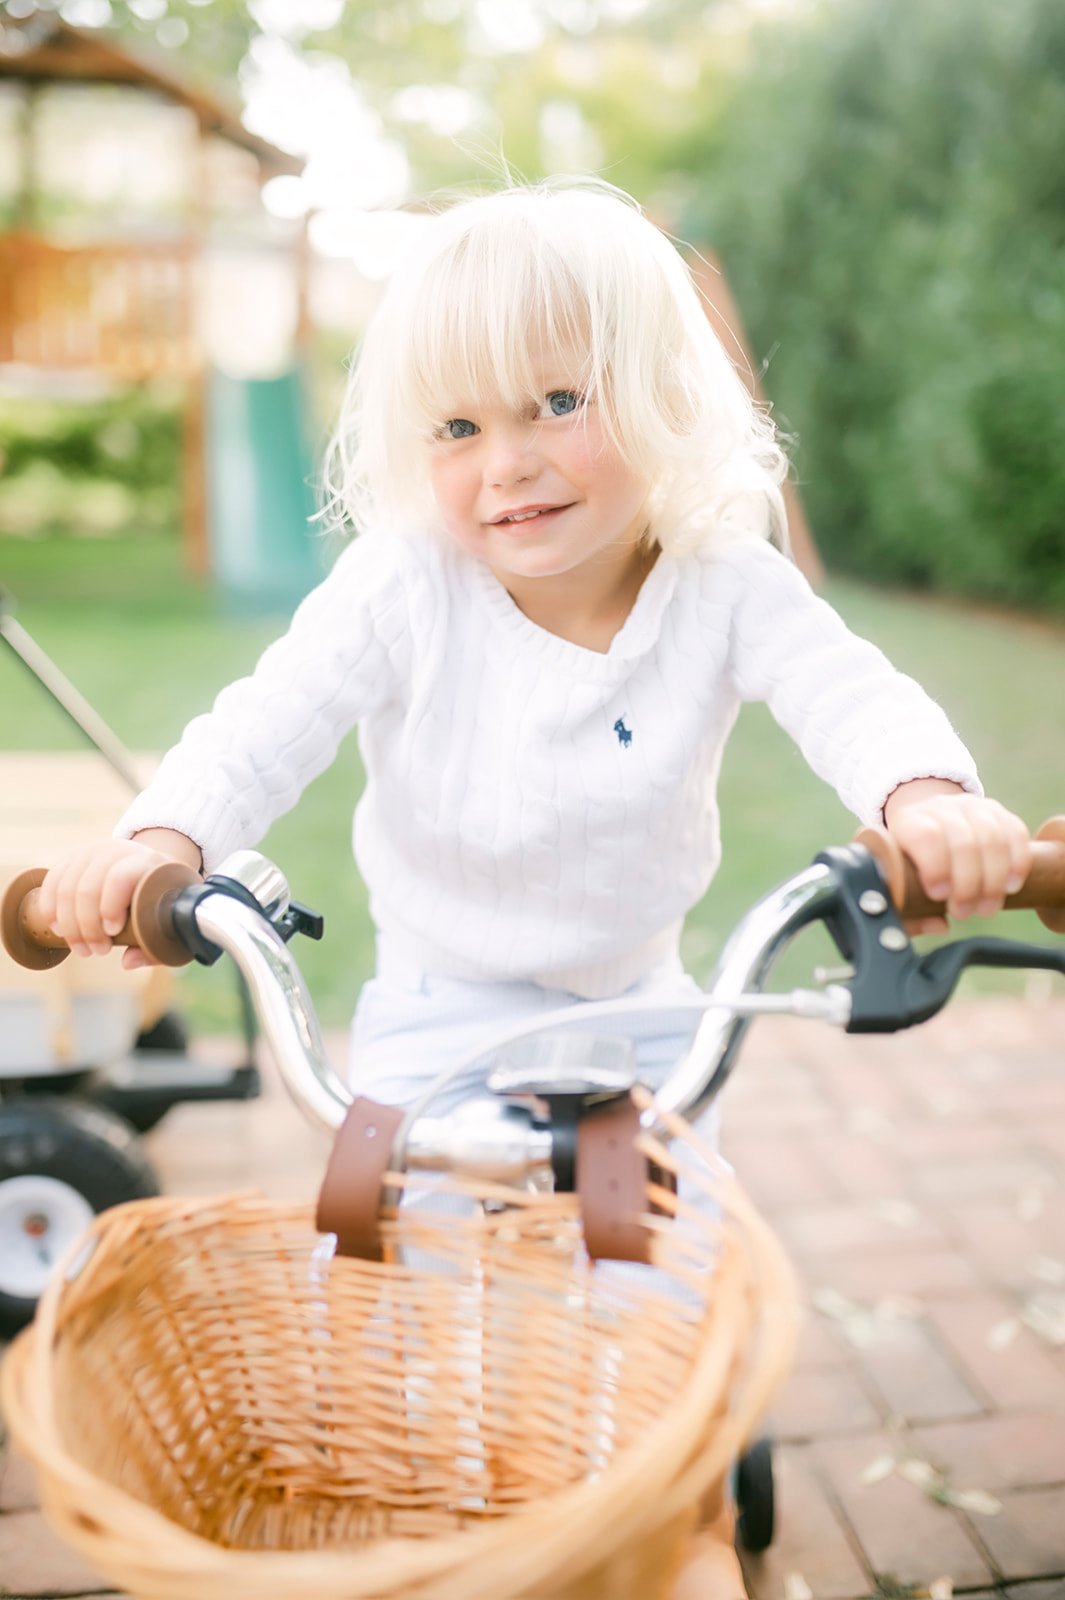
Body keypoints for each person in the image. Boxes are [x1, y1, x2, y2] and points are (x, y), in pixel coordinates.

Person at [38, 177, 1031, 1117]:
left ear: (662, 400)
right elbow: (261, 727)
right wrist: (159, 844)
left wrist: (928, 802)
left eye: (557, 403)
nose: (509, 463)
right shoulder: (406, 582)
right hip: (435, 1005)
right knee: (402, 1249)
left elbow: (849, 692)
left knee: (671, 1261)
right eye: (460, 425)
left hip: (643, 1002)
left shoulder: (721, 580)